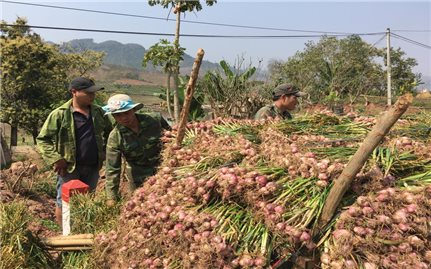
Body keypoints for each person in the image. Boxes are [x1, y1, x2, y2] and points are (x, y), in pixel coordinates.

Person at [36, 77, 112, 224]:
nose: (92, 96)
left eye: (93, 92)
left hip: (92, 166)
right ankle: (65, 236)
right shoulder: (59, 114)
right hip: (69, 168)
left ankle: (82, 231)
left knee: (87, 202)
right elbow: (43, 139)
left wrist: (103, 152)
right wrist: (56, 159)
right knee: (64, 202)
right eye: (88, 92)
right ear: (74, 92)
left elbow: (111, 132)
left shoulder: (98, 113)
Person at [102, 94, 170, 205]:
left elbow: (172, 137)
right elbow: (112, 169)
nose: (123, 118)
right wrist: (111, 198)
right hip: (138, 177)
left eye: (126, 113)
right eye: (118, 115)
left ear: (134, 110)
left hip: (164, 169)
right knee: (141, 205)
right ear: (113, 116)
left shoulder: (155, 120)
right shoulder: (115, 137)